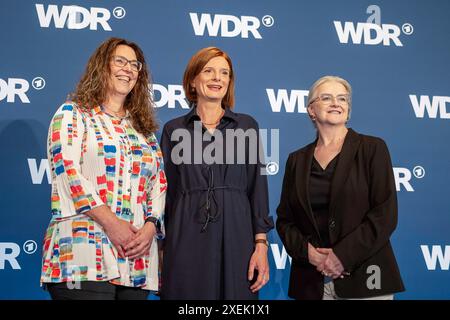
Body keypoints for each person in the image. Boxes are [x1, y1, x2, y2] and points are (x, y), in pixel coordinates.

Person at [40, 37, 167, 300]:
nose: (128, 69)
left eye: (135, 64)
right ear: (102, 66)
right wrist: (112, 224)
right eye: (120, 61)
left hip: (136, 261)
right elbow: (68, 175)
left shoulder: (144, 130)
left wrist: (151, 225)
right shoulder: (73, 114)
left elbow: (159, 184)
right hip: (82, 254)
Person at [276, 75, 405, 300]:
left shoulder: (372, 148)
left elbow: (385, 214)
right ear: (311, 110)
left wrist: (341, 256)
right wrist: (311, 255)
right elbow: (285, 220)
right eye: (326, 97)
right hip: (311, 282)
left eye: (342, 99)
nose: (336, 103)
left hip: (366, 278)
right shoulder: (296, 160)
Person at [160, 47, 274, 299]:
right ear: (192, 80)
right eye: (208, 71)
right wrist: (160, 249)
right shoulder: (173, 129)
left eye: (224, 73)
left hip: (237, 233)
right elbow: (166, 194)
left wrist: (261, 245)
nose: (217, 78)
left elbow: (258, 188)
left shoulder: (247, 126)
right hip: (186, 232)